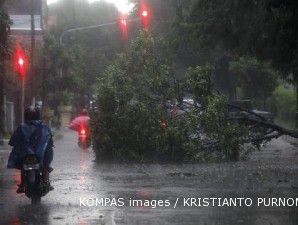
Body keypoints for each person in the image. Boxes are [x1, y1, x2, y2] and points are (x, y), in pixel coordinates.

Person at [7, 106, 54, 193]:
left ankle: (22, 184)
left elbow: (13, 140)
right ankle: (46, 180)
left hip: (26, 154)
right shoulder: (44, 126)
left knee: (22, 164)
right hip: (40, 155)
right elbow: (49, 140)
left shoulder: (21, 127)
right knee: (46, 163)